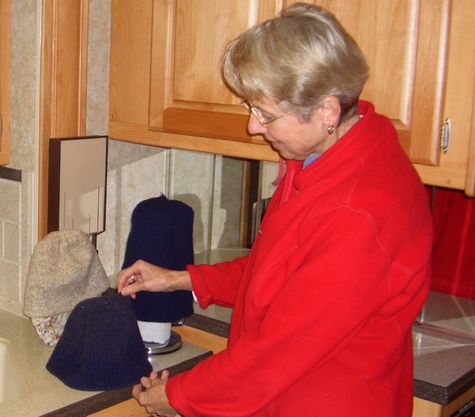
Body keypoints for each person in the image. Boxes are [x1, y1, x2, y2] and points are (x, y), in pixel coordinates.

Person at [117, 3, 432, 417]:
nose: (253, 127)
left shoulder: (360, 213)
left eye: (266, 114)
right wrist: (182, 279)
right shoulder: (324, 159)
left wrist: (178, 395)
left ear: (327, 110)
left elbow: (276, 355)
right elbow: (281, 274)